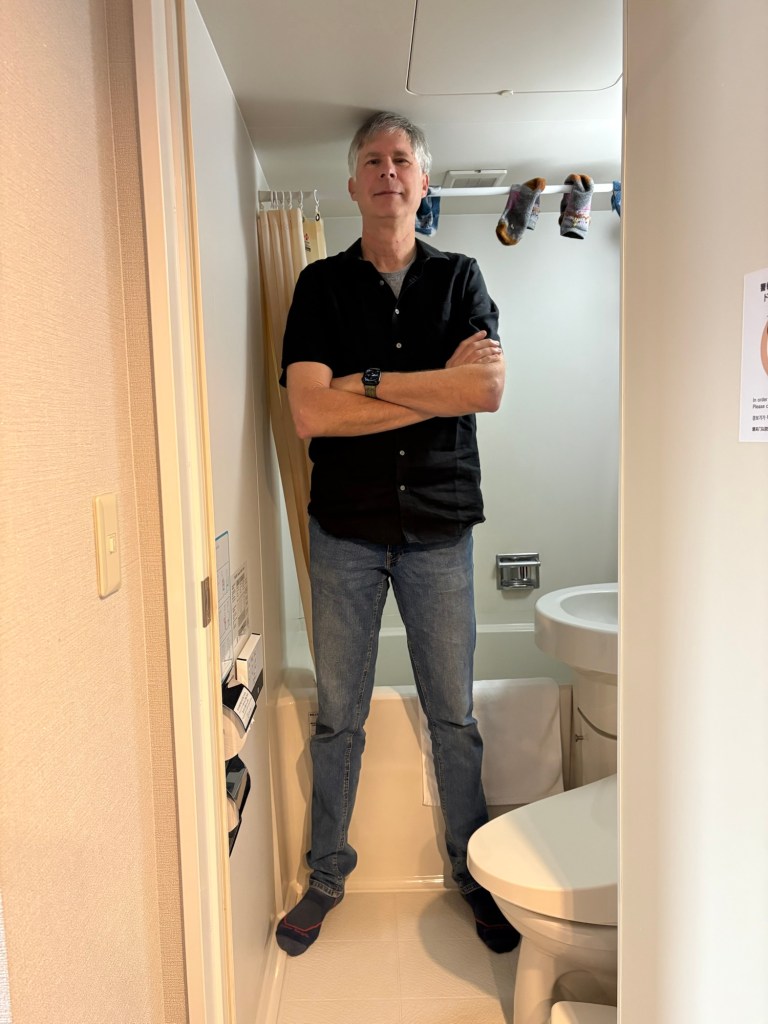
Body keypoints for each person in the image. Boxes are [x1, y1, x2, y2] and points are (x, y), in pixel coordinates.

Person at [275, 110, 518, 957]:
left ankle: (472, 873)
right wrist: (429, 387)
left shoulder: (462, 279)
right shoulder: (319, 285)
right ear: (353, 184)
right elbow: (310, 413)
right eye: (373, 160)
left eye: (402, 159)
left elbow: (484, 392)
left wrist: (367, 383)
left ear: (423, 182)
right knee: (338, 716)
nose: (388, 171)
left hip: (439, 531)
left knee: (454, 716)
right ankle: (326, 876)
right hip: (344, 531)